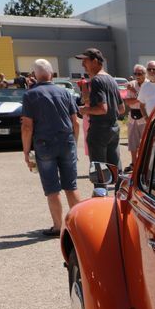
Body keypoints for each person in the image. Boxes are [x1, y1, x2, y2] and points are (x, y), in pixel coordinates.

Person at [21, 59, 81, 237]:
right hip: (66, 142)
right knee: (71, 185)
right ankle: (79, 224)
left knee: (52, 188)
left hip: (44, 145)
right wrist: (74, 145)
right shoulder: (65, 93)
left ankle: (58, 227)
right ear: (52, 73)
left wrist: (26, 151)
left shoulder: (30, 95)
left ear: (34, 76)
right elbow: (75, 123)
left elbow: (27, 127)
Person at [76, 48, 125, 170]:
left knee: (99, 171)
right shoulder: (111, 79)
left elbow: (102, 109)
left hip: (99, 130)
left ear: (95, 61)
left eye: (85, 61)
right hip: (113, 128)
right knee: (115, 167)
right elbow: (122, 108)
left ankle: (100, 189)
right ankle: (119, 188)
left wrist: (84, 110)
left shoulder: (97, 80)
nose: (83, 65)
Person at [125, 64, 147, 169]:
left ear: (145, 74)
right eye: (136, 73)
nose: (137, 75)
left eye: (140, 73)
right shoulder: (131, 84)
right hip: (133, 116)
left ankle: (144, 163)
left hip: (145, 116)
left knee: (146, 142)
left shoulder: (149, 85)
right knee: (132, 142)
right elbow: (128, 102)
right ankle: (134, 163)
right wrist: (139, 97)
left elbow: (146, 101)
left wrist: (135, 93)